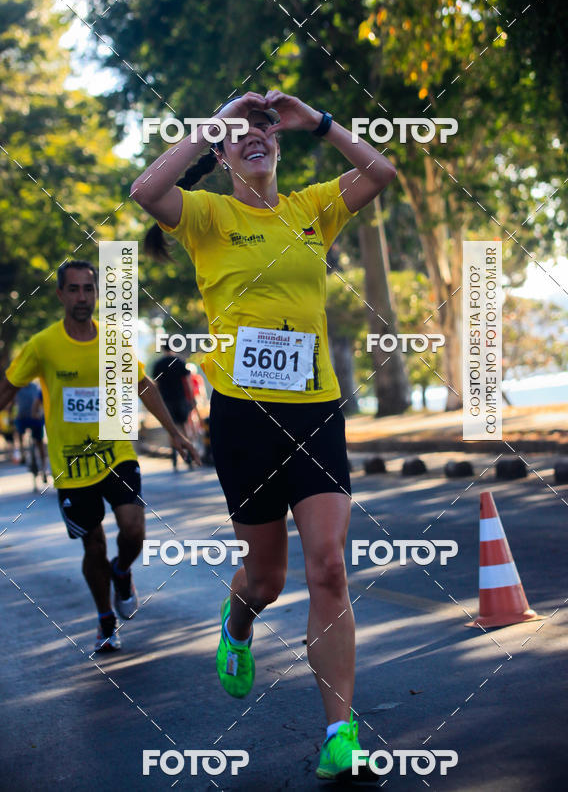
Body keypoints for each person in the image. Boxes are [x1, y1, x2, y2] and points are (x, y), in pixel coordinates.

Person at [132, 90, 396, 781]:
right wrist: (212, 122)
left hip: (316, 412)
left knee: (329, 568)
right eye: (239, 135)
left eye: (264, 130)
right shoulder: (207, 215)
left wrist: (319, 123)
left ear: (277, 146)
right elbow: (147, 188)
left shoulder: (311, 207)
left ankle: (341, 735)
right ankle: (238, 619)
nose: (257, 137)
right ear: (221, 156)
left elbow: (381, 173)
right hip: (245, 418)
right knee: (269, 578)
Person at [0, 260, 200, 652]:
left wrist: (175, 434)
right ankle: (106, 618)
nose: (81, 297)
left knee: (134, 530)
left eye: (87, 289)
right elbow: (8, 387)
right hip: (71, 461)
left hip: (115, 449)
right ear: (60, 294)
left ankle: (122, 571)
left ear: (97, 294)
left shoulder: (113, 342)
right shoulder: (42, 346)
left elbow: (144, 386)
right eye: (73, 289)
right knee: (93, 544)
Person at [151, 344, 196, 470]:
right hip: (180, 399)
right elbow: (188, 381)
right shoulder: (180, 362)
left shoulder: (158, 364)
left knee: (172, 429)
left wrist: (157, 402)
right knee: (184, 427)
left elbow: (156, 385)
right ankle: (189, 457)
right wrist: (191, 398)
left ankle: (174, 456)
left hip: (166, 401)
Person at [13, 381, 48, 482]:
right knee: (18, 431)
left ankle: (44, 467)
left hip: (35, 418)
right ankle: (22, 452)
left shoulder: (35, 387)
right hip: (22, 417)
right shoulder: (17, 386)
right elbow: (12, 402)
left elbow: (40, 401)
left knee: (39, 441)